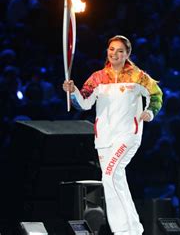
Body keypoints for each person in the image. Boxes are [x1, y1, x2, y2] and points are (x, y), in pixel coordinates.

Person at [63, 35, 163, 235]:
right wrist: (72, 92)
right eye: (111, 49)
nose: (114, 54)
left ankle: (123, 231)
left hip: (128, 135)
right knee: (115, 179)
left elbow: (156, 94)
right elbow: (84, 103)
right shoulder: (98, 78)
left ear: (127, 54)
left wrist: (150, 112)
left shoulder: (138, 76)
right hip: (104, 139)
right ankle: (133, 228)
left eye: (120, 51)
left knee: (109, 176)